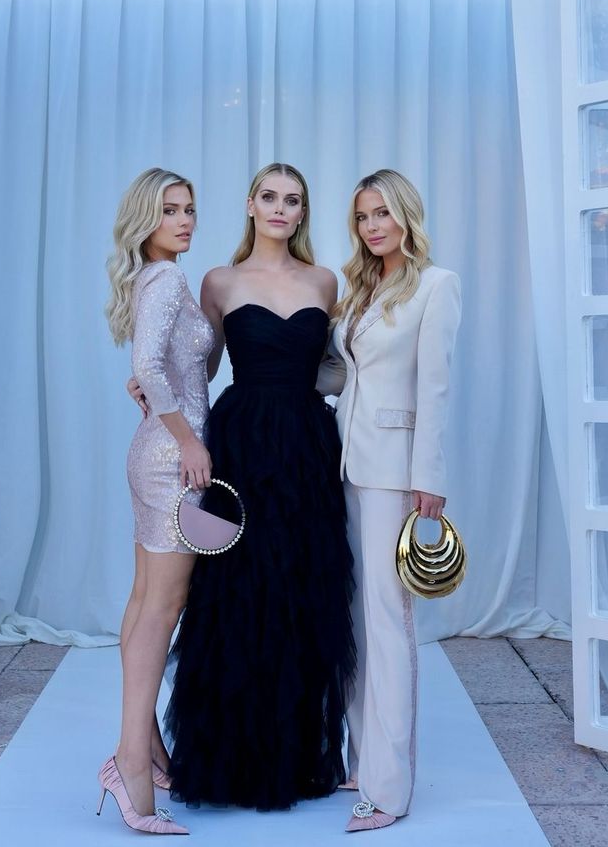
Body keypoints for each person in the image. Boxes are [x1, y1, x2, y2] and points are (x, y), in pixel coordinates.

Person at [154, 163, 356, 811]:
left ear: (302, 212)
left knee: (302, 588)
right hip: (240, 442)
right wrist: (152, 390)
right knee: (238, 592)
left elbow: (339, 368)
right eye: (268, 196)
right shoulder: (219, 280)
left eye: (291, 199)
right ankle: (232, 753)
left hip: (305, 445)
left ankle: (295, 751)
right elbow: (199, 364)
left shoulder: (326, 281)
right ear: (249, 205)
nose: (279, 207)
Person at [317, 169, 461, 833]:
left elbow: (433, 388)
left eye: (382, 214)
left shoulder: (436, 284)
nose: (373, 226)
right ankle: (359, 757)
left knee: (386, 617)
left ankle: (389, 784)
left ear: (405, 214)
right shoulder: (361, 288)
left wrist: (427, 477)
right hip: (344, 463)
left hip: (394, 472)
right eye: (363, 217)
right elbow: (340, 374)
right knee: (352, 614)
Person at [100, 167, 215, 836]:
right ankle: (130, 764)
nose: (184, 220)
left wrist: (156, 394)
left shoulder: (151, 279)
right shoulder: (167, 278)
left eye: (190, 208)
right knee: (161, 606)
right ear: (144, 219)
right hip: (175, 460)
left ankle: (144, 751)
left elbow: (153, 366)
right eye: (170, 210)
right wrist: (188, 441)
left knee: (146, 600)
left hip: (155, 451)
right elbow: (149, 366)